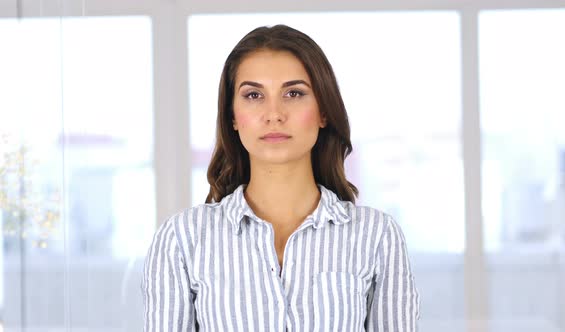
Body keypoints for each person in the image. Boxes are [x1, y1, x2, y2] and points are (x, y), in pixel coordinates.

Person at [142, 24, 420, 331]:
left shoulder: (377, 236)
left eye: (293, 93)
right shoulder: (182, 239)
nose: (273, 114)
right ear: (232, 116)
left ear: (323, 111)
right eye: (253, 95)